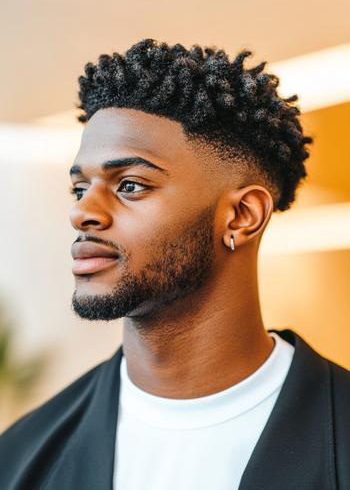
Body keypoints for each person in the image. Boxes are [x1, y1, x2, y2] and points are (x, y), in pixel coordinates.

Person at [1, 38, 349, 490]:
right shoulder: (20, 458)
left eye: (129, 185)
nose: (82, 212)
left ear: (243, 216)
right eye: (79, 188)